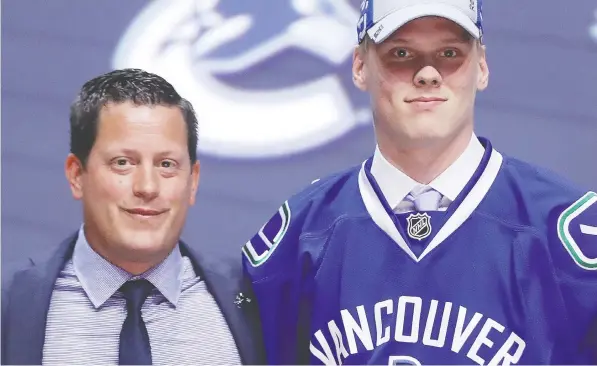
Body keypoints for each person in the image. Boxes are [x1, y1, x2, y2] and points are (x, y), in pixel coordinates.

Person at [241, 0, 597, 364]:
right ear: (361, 66)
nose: (428, 73)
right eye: (401, 52)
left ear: (482, 67)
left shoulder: (563, 234)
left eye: (449, 52)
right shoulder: (299, 235)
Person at [2, 68, 262, 365]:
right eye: (122, 163)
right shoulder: (11, 304)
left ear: (193, 181)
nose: (147, 187)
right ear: (77, 175)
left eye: (166, 164)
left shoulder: (255, 303)